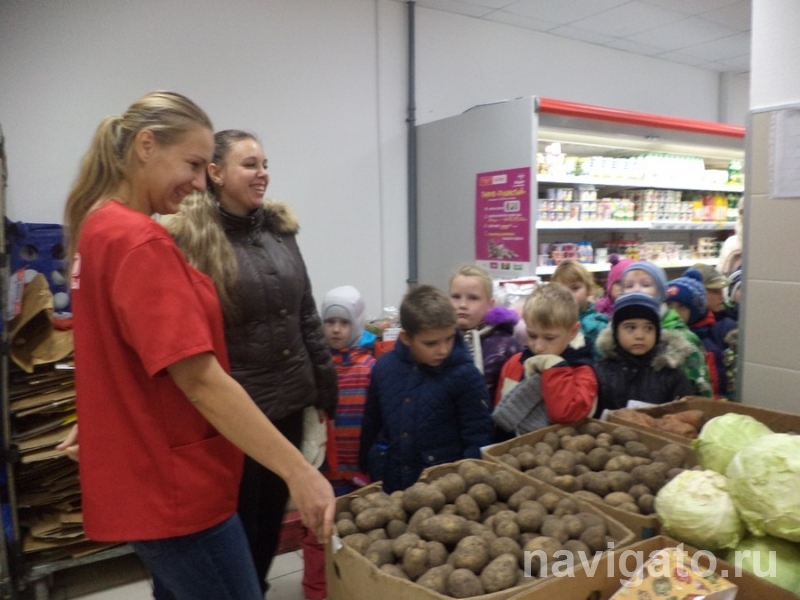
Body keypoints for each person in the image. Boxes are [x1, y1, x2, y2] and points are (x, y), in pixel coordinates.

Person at [60, 91, 334, 600]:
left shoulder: (99, 228)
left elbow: (117, 354)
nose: (198, 181)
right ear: (146, 146)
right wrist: (299, 471)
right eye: (191, 164)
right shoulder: (141, 242)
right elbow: (201, 380)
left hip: (150, 472)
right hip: (175, 488)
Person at [165, 129, 338, 596]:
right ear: (216, 173)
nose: (262, 174)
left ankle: (254, 588)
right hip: (235, 413)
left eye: (264, 164)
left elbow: (305, 311)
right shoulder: (190, 238)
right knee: (233, 525)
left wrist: (324, 387)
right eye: (249, 165)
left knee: (267, 525)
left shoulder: (280, 230)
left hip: (290, 400)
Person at [359, 285, 492, 493]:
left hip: (443, 490)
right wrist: (366, 463)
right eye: (431, 343)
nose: (443, 350)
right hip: (391, 484)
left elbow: (478, 436)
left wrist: (471, 485)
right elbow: (372, 422)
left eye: (449, 338)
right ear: (406, 338)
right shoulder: (384, 368)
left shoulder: (466, 376)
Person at [302, 285, 376, 600]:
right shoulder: (315, 369)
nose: (335, 329)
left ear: (356, 324)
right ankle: (316, 590)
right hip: (324, 469)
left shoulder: (371, 369)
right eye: (329, 321)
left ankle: (353, 588)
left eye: (344, 323)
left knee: (356, 532)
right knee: (318, 533)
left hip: (358, 469)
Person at [493, 283, 597, 437]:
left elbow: (566, 414)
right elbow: (499, 412)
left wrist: (554, 368)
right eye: (532, 335)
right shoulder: (514, 363)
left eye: (549, 338)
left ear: (573, 331)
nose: (539, 347)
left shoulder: (582, 372)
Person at [618, 260, 713, 398]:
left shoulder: (681, 339)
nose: (636, 290)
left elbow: (700, 387)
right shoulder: (613, 335)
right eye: (629, 285)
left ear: (661, 292)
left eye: (645, 285)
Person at [594, 293, 695, 414]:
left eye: (648, 328)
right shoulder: (600, 372)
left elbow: (685, 413)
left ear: (657, 333)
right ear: (616, 332)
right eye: (631, 328)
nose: (640, 336)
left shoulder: (671, 374)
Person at [448, 264, 522, 400]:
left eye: (473, 298)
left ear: (490, 304)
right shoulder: (439, 341)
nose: (462, 305)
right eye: (456, 297)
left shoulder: (506, 346)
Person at [666, 269, 735, 398]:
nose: (674, 312)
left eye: (682, 307)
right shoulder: (661, 337)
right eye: (669, 305)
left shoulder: (718, 331)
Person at [551, 259, 609, 351]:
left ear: (588, 290)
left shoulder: (599, 326)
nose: (568, 294)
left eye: (575, 288)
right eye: (561, 289)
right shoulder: (551, 323)